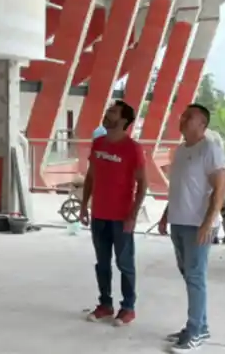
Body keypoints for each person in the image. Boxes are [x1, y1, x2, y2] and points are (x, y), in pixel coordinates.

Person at [157, 103, 225, 352]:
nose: (183, 119)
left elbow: (220, 188)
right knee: (189, 276)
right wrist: (166, 215)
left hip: (198, 225)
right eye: (183, 115)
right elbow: (178, 187)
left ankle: (195, 330)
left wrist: (208, 223)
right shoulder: (180, 150)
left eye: (190, 117)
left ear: (202, 124)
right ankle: (200, 325)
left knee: (195, 277)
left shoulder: (210, 148)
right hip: (179, 221)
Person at [78, 100, 147, 327]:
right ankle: (105, 305)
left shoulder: (133, 148)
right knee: (102, 263)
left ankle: (128, 308)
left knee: (125, 263)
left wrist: (133, 214)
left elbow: (143, 183)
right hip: (99, 214)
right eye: (108, 110)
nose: (107, 114)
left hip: (121, 217)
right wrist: (83, 205)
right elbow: (91, 176)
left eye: (113, 112)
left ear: (124, 120)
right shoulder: (98, 144)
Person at [205, 130, 225, 246]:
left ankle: (213, 235)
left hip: (214, 178)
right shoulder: (216, 137)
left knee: (213, 206)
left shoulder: (206, 140)